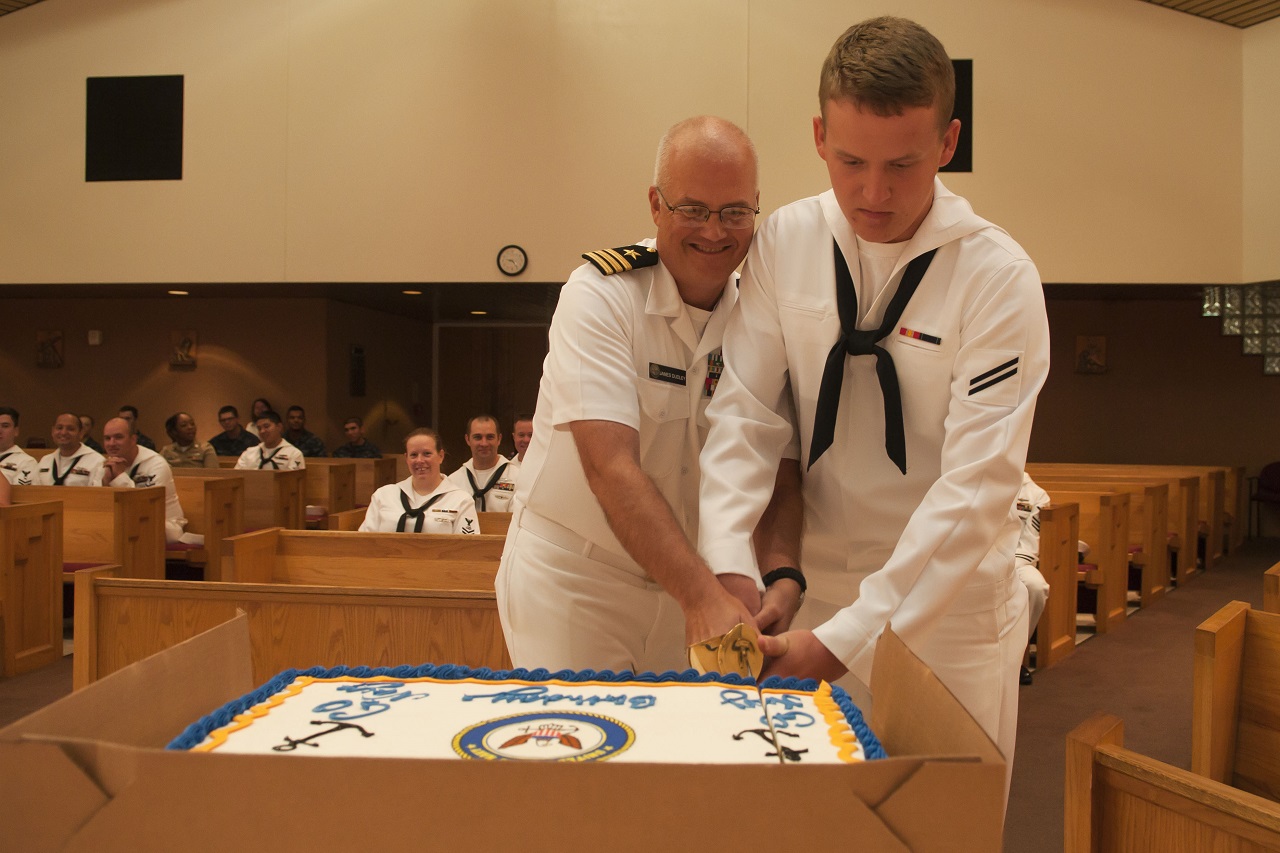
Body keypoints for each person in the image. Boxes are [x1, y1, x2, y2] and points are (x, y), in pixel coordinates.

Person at [697, 17, 1049, 793]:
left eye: (904, 164)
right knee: (807, 823)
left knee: (940, 820)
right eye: (851, 161)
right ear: (820, 135)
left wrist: (855, 634)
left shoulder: (996, 276)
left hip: (945, 610)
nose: (873, 192)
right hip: (809, 590)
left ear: (948, 142)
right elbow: (748, 413)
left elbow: (977, 485)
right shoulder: (786, 239)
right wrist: (729, 561)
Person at [496, 116, 800, 674]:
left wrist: (782, 575)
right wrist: (701, 597)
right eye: (693, 209)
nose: (714, 230)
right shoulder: (600, 297)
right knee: (583, 748)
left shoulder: (767, 315)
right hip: (576, 577)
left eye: (734, 211)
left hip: (689, 581)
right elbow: (610, 466)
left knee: (677, 755)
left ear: (756, 208)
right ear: (656, 206)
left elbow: (777, 462)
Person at [99, 417, 203, 546]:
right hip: (125, 523)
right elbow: (97, 506)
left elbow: (146, 509)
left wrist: (119, 477)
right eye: (107, 438)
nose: (112, 443)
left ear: (133, 439)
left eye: (118, 437)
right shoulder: (105, 464)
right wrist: (105, 483)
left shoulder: (156, 464)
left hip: (163, 525)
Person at [359, 428, 478, 534]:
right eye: (414, 455)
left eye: (427, 454)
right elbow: (364, 543)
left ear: (441, 456)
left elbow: (468, 550)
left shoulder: (461, 500)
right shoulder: (383, 495)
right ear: (406, 458)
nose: (419, 460)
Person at [1014, 472, 1052, 685]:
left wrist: (1008, 567)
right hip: (982, 560)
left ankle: (1016, 658)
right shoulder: (983, 481)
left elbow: (1030, 544)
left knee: (1035, 586)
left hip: (1017, 561)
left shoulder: (1036, 495)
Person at [446, 415, 517, 513]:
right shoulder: (453, 481)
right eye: (478, 437)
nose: (484, 443)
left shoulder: (518, 478)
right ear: (467, 439)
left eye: (490, 437)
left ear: (499, 439)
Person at [35, 412, 105, 486]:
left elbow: (97, 494)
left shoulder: (97, 461)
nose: (63, 432)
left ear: (81, 433)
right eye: (59, 428)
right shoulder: (45, 461)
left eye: (70, 429)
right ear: (52, 431)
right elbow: (33, 492)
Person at [234, 410, 305, 470]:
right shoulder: (249, 453)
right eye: (259, 428)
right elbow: (237, 477)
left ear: (279, 427)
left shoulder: (294, 454)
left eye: (266, 426)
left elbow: (294, 482)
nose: (262, 431)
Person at [0, 407, 38, 486]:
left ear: (16, 431)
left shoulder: (26, 462)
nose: (0, 430)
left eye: (5, 426)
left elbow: (22, 495)